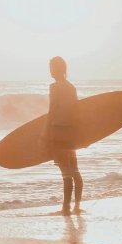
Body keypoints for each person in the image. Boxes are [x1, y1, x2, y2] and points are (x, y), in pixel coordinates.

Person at [41, 56, 83, 216]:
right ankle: (77, 206)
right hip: (71, 132)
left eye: (51, 67)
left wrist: (44, 134)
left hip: (58, 131)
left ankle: (65, 208)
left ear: (56, 69)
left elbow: (52, 111)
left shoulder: (54, 87)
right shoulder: (71, 87)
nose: (50, 71)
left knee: (66, 173)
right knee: (75, 170)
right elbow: (76, 110)